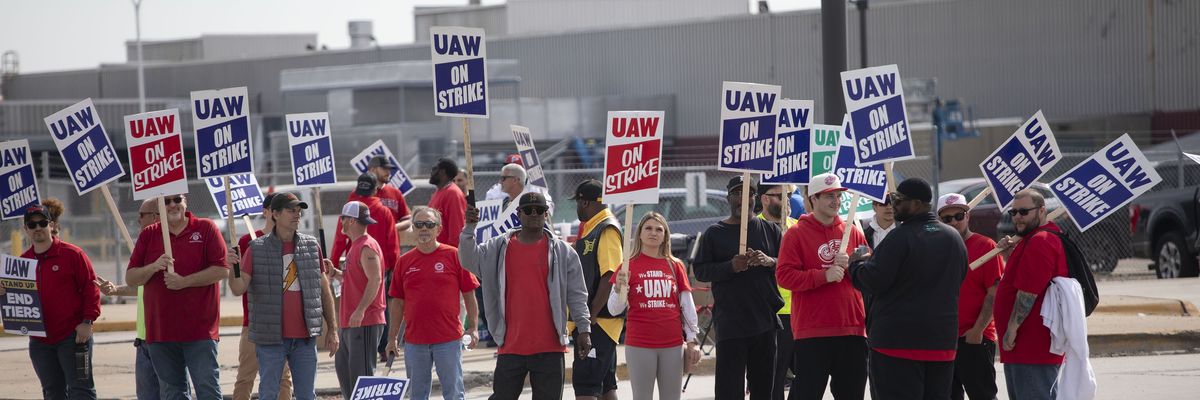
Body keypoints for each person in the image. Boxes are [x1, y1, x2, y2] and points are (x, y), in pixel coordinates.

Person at [459, 192, 593, 400]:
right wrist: (469, 229)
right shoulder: (498, 247)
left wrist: (584, 329)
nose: (534, 214)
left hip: (550, 347)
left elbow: (577, 295)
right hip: (510, 345)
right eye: (528, 210)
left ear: (546, 214)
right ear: (518, 214)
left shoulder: (563, 252)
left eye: (539, 210)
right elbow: (468, 260)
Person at [848, 178, 967, 400]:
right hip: (941, 343)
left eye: (898, 200)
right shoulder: (954, 238)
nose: (893, 205)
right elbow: (957, 279)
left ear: (917, 203)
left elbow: (873, 280)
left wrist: (856, 264)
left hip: (897, 345)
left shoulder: (901, 237)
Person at [228, 193, 340, 400]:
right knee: (269, 394)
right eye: (291, 210)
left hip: (305, 339)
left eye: (299, 211)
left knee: (306, 395)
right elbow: (238, 288)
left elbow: (324, 290)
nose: (297, 215)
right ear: (275, 214)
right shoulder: (256, 248)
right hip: (270, 339)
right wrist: (231, 268)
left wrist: (332, 329)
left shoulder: (311, 246)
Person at [775, 173, 868, 400]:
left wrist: (857, 264)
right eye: (828, 196)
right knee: (807, 394)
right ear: (812, 199)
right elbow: (784, 277)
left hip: (852, 328)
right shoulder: (796, 234)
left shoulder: (852, 231)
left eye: (838, 195)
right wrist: (823, 276)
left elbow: (869, 274)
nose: (836, 201)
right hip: (812, 330)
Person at [126, 194, 228, 399]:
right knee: (173, 394)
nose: (173, 204)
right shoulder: (149, 235)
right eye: (166, 201)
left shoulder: (206, 228)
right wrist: (153, 266)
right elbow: (131, 278)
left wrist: (184, 281)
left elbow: (221, 270)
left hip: (199, 331)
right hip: (161, 333)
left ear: (185, 202)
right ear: (158, 209)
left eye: (177, 199)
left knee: (207, 390)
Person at [693, 176, 783, 400]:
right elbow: (702, 271)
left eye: (748, 194)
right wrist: (730, 266)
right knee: (729, 391)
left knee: (764, 390)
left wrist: (769, 261)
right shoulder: (714, 233)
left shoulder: (771, 230)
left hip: (764, 322)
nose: (743, 199)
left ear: (755, 198)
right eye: (737, 194)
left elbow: (787, 266)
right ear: (728, 198)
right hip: (731, 324)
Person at [98, 199, 194, 400]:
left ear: (155, 217)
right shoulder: (146, 246)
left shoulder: (170, 248)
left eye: (142, 215)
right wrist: (116, 290)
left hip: (166, 338)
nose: (138, 219)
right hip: (143, 339)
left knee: (174, 393)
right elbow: (143, 287)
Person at [386, 207, 481, 400]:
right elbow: (397, 303)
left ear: (438, 229)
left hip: (448, 339)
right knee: (417, 395)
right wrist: (392, 337)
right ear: (413, 228)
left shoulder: (454, 255)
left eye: (429, 224)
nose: (424, 229)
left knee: (454, 393)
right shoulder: (403, 262)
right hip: (414, 341)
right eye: (419, 224)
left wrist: (473, 328)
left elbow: (469, 294)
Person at [606, 212, 700, 400]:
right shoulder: (627, 266)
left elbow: (687, 306)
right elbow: (613, 310)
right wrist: (618, 288)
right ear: (639, 233)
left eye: (659, 229)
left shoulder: (676, 265)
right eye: (648, 228)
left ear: (665, 235)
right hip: (640, 344)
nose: (653, 233)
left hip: (672, 344)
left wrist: (692, 340)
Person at [13, 203, 101, 400]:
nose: (38, 228)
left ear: (51, 225)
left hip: (73, 337)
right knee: (52, 393)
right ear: (26, 229)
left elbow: (91, 287)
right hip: (40, 341)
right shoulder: (23, 263)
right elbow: (16, 299)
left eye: (42, 223)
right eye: (32, 225)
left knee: (81, 391)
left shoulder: (73, 254)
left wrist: (87, 322)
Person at [993, 189, 1068, 400]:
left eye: (1024, 212)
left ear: (1042, 210)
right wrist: (1010, 255)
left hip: (1030, 347)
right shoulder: (1031, 239)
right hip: (1024, 349)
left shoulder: (1040, 240)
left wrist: (1012, 330)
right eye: (1013, 212)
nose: (1017, 217)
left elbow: (1028, 292)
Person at [936, 193, 1004, 400]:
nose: (954, 222)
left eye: (959, 215)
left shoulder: (986, 247)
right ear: (939, 221)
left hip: (974, 338)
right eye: (947, 218)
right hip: (943, 339)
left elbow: (994, 292)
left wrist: (978, 330)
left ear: (968, 216)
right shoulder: (936, 248)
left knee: (982, 395)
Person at [226, 193, 293, 400]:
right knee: (246, 377)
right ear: (267, 212)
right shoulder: (247, 241)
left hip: (283, 324)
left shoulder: (290, 240)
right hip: (254, 323)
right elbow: (238, 287)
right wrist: (232, 266)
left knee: (283, 380)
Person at [328, 200, 389, 399]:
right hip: (349, 321)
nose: (341, 223)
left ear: (351, 221)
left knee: (362, 379)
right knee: (346, 375)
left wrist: (361, 309)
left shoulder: (367, 246)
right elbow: (354, 279)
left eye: (343, 219)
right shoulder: (355, 246)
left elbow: (376, 278)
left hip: (364, 321)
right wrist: (336, 272)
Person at [570, 179, 624, 400]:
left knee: (586, 385)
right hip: (597, 321)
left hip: (599, 321)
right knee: (605, 385)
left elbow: (610, 274)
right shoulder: (593, 227)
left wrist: (590, 317)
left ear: (584, 202)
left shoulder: (606, 228)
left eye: (577, 203)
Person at [756, 184, 798, 400]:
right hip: (773, 311)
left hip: (801, 309)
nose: (787, 200)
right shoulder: (752, 228)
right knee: (775, 375)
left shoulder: (798, 226)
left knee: (808, 373)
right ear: (764, 199)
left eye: (789, 195)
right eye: (780, 196)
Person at [356, 155, 413, 234]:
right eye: (384, 168)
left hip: (390, 243)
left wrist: (391, 228)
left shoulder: (396, 193)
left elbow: (408, 220)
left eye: (389, 169)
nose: (388, 172)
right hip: (365, 243)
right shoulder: (358, 193)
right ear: (372, 169)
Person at [429, 157, 467, 248]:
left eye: (434, 169)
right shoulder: (438, 192)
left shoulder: (453, 194)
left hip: (446, 255)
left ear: (442, 172)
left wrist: (450, 257)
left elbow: (456, 232)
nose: (431, 172)